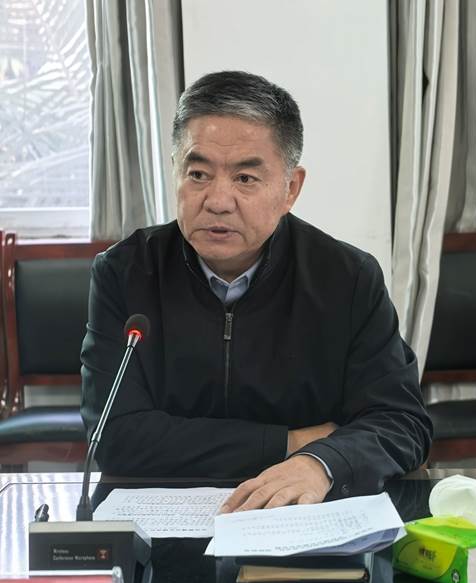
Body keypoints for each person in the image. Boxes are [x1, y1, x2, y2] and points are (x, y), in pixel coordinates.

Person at [80, 70, 432, 512]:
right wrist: (290, 443)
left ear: (290, 189)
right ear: (174, 172)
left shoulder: (347, 278)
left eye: (245, 179)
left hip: (303, 517)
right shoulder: (125, 272)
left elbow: (402, 422)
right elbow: (114, 436)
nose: (217, 200)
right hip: (163, 522)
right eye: (198, 173)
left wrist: (321, 463)